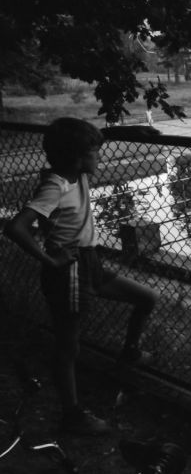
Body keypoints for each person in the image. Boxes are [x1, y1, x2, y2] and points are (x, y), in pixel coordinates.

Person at [3, 118, 159, 436]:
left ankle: (129, 352)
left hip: (91, 264)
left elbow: (96, 138)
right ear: (77, 157)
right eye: (95, 152)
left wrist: (131, 132)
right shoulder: (56, 186)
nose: (100, 156)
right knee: (68, 347)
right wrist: (49, 259)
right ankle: (72, 415)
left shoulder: (76, 174)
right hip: (69, 272)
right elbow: (16, 227)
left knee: (147, 298)